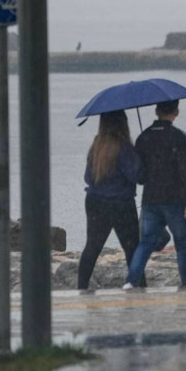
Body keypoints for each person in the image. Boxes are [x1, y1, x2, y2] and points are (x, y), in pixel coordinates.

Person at [124, 99, 186, 289]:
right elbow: (185, 171)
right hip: (176, 200)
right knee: (184, 244)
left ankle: (130, 281)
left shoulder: (143, 137)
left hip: (150, 200)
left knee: (145, 243)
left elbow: (139, 176)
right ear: (176, 112)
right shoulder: (179, 137)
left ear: (156, 111)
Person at [78, 111, 145, 290]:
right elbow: (138, 176)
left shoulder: (96, 146)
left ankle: (81, 286)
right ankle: (139, 286)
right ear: (123, 124)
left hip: (95, 202)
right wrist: (143, 159)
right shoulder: (124, 148)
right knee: (132, 249)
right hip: (121, 204)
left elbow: (88, 177)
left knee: (92, 247)